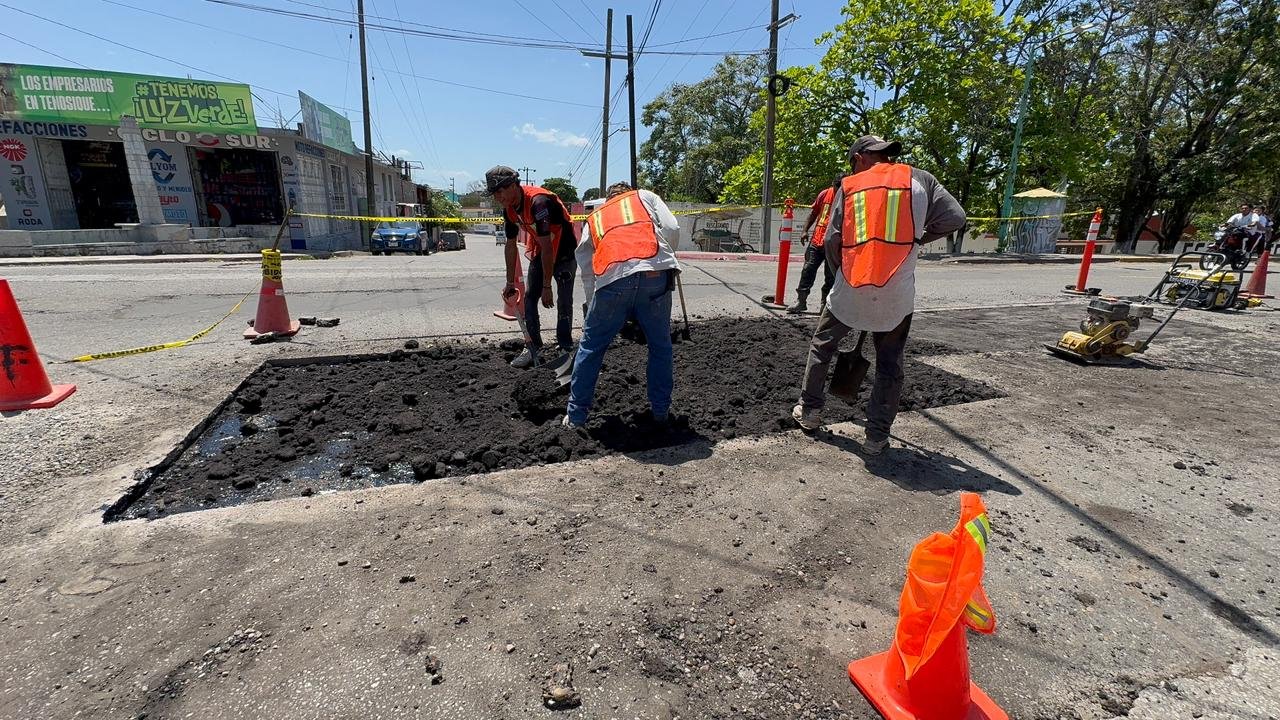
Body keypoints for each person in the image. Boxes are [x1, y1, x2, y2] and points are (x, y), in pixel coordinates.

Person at [791, 135, 966, 454]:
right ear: (884, 156)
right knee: (889, 363)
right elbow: (956, 218)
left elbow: (832, 240)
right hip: (896, 291)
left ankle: (811, 412)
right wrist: (919, 240)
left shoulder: (850, 185)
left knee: (822, 346)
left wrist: (840, 274)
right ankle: (876, 437)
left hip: (852, 284)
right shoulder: (921, 179)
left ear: (859, 157)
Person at [563, 181, 681, 428]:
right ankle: (661, 413)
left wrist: (591, 302)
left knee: (591, 347)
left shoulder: (596, 215)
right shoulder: (644, 196)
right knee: (660, 346)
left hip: (613, 281)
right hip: (655, 275)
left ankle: (575, 418)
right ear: (629, 193)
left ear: (608, 199)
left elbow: (584, 261)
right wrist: (666, 257)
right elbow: (671, 226)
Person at [486, 165, 579, 368]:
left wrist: (547, 287)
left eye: (499, 192)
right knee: (529, 298)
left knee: (563, 300)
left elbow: (548, 247)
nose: (497, 197)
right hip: (542, 250)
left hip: (563, 252)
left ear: (512, 186)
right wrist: (510, 282)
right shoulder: (509, 209)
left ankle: (565, 346)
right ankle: (533, 346)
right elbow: (510, 246)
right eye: (494, 194)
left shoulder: (539, 202)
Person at [787, 176, 842, 314]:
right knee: (808, 270)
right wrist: (804, 231)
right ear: (833, 184)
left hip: (834, 244)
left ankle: (825, 305)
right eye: (837, 186)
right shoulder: (825, 194)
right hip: (817, 241)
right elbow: (813, 213)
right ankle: (801, 301)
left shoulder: (848, 197)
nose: (839, 189)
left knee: (830, 276)